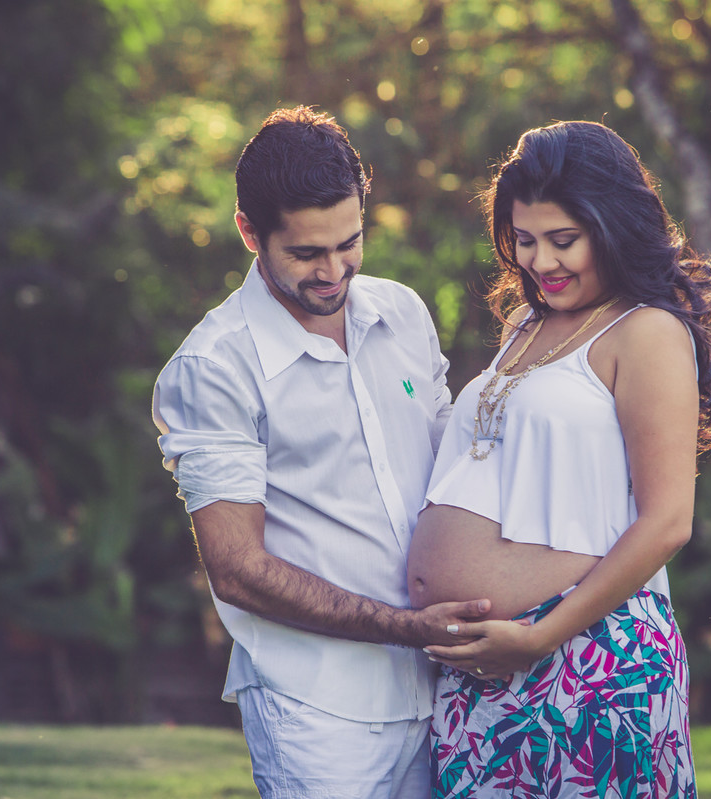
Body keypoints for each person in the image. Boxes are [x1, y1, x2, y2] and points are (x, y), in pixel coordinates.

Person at [151, 105, 491, 799]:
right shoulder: (213, 367)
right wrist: (406, 627)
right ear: (250, 231)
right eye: (307, 253)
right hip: (316, 712)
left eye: (349, 242)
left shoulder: (402, 313)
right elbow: (238, 570)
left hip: (447, 694)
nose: (334, 271)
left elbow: (454, 476)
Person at [407, 121, 711, 798]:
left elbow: (669, 520)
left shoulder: (645, 331)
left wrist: (539, 635)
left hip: (592, 658)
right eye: (524, 241)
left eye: (563, 240)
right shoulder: (527, 323)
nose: (541, 262)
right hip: (487, 671)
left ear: (612, 226)